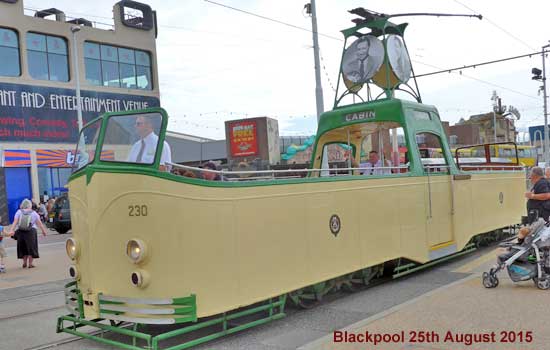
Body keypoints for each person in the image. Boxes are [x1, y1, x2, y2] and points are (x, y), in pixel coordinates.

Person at [9, 199, 47, 268]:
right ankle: (30, 264)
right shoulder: (34, 213)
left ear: (22, 205)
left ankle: (24, 262)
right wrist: (43, 231)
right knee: (31, 248)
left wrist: (11, 230)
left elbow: (15, 222)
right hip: (31, 232)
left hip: (21, 231)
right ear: (30, 205)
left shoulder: (19, 212)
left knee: (23, 248)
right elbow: (40, 223)